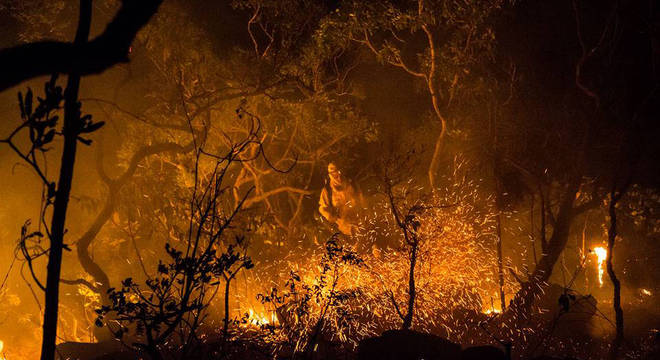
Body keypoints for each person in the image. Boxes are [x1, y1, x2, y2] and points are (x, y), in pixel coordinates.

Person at [318, 162, 363, 236]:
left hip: (358, 222)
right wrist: (330, 216)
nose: (337, 174)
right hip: (343, 228)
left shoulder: (350, 183)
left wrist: (363, 209)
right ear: (330, 174)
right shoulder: (327, 190)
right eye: (334, 173)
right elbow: (322, 208)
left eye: (338, 171)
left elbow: (360, 197)